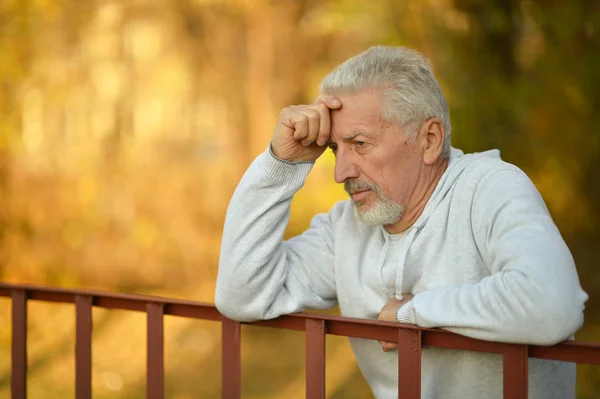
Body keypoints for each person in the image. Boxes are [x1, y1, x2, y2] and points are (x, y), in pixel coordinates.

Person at [215, 45, 588, 398]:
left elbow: (552, 304)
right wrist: (282, 164)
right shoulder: (346, 226)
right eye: (334, 150)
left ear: (429, 140)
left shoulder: (489, 187)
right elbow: (242, 296)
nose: (340, 172)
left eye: (359, 144)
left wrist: (415, 312)